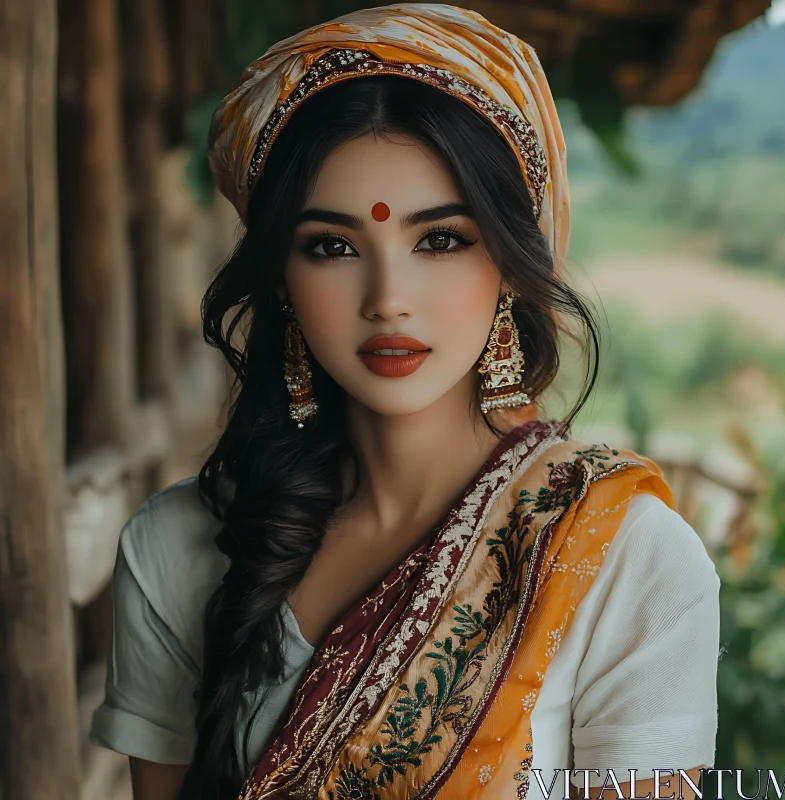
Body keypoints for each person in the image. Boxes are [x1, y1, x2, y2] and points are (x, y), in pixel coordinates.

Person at [89, 4, 721, 799]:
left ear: (511, 264)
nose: (389, 298)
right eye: (333, 246)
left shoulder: (625, 559)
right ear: (282, 279)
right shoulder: (178, 549)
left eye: (441, 239)